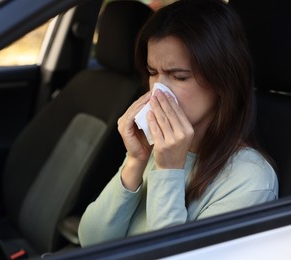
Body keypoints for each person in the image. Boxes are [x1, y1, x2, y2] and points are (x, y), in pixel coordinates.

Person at [78, 0, 278, 247]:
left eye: (178, 76)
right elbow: (90, 241)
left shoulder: (251, 180)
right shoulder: (155, 145)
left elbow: (171, 253)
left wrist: (169, 171)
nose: (159, 91)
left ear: (222, 80)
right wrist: (135, 161)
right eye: (153, 73)